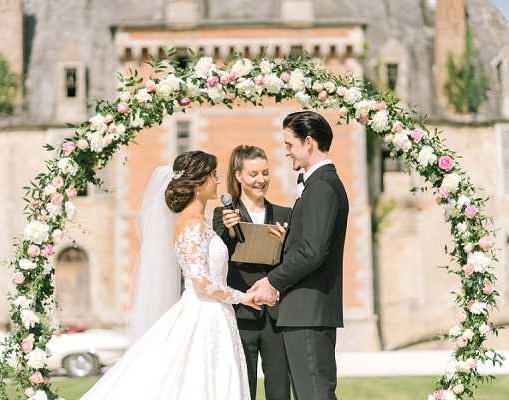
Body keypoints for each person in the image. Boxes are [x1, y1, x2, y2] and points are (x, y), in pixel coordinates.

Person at [81, 151, 257, 400]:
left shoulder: (199, 222)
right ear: (198, 183)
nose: (218, 181)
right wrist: (243, 297)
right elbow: (201, 282)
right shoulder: (192, 225)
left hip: (216, 313)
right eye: (213, 175)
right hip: (203, 315)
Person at [250, 111, 349, 400]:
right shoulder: (317, 185)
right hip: (303, 312)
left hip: (309, 312)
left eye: (290, 144)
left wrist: (273, 281)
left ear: (308, 142)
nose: (286, 151)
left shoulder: (322, 186)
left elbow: (313, 251)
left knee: (314, 394)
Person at [212, 145, 291, 400]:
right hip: (240, 316)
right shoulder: (221, 215)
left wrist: (284, 243)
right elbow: (217, 262)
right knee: (242, 390)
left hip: (275, 318)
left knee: (279, 391)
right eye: (254, 174)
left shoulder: (285, 215)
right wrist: (230, 232)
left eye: (265, 173)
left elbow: (294, 263)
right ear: (238, 175)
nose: (261, 180)